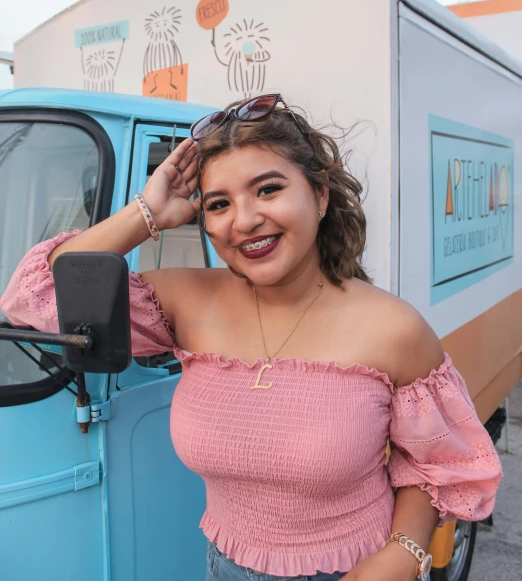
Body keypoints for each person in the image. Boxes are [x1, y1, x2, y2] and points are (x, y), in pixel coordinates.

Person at [1, 93, 503, 581]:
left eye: (268, 189)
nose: (244, 221)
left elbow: (434, 466)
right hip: (224, 568)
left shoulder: (394, 329)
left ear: (321, 195)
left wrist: (402, 555)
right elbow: (36, 296)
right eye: (218, 204)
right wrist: (148, 213)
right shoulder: (185, 301)